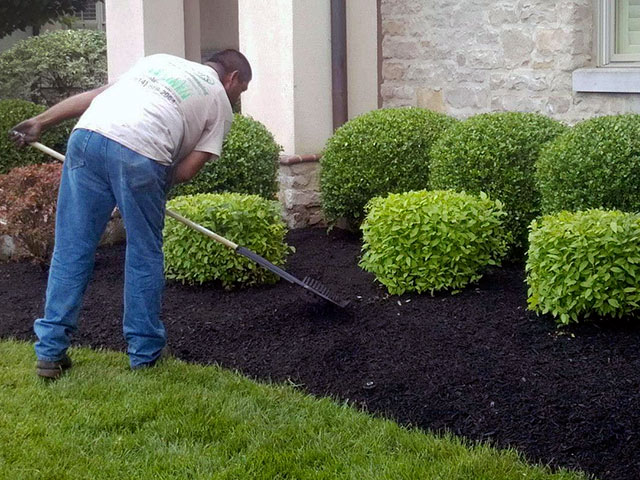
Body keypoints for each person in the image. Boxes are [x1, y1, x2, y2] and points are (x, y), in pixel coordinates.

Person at [9, 49, 251, 379]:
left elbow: (94, 97)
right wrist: (149, 187)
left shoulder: (158, 62)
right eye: (242, 90)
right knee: (143, 252)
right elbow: (187, 170)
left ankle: (50, 352)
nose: (237, 98)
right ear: (232, 78)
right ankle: (145, 352)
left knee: (72, 248)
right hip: (144, 151)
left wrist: (40, 121)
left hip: (87, 137)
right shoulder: (220, 103)